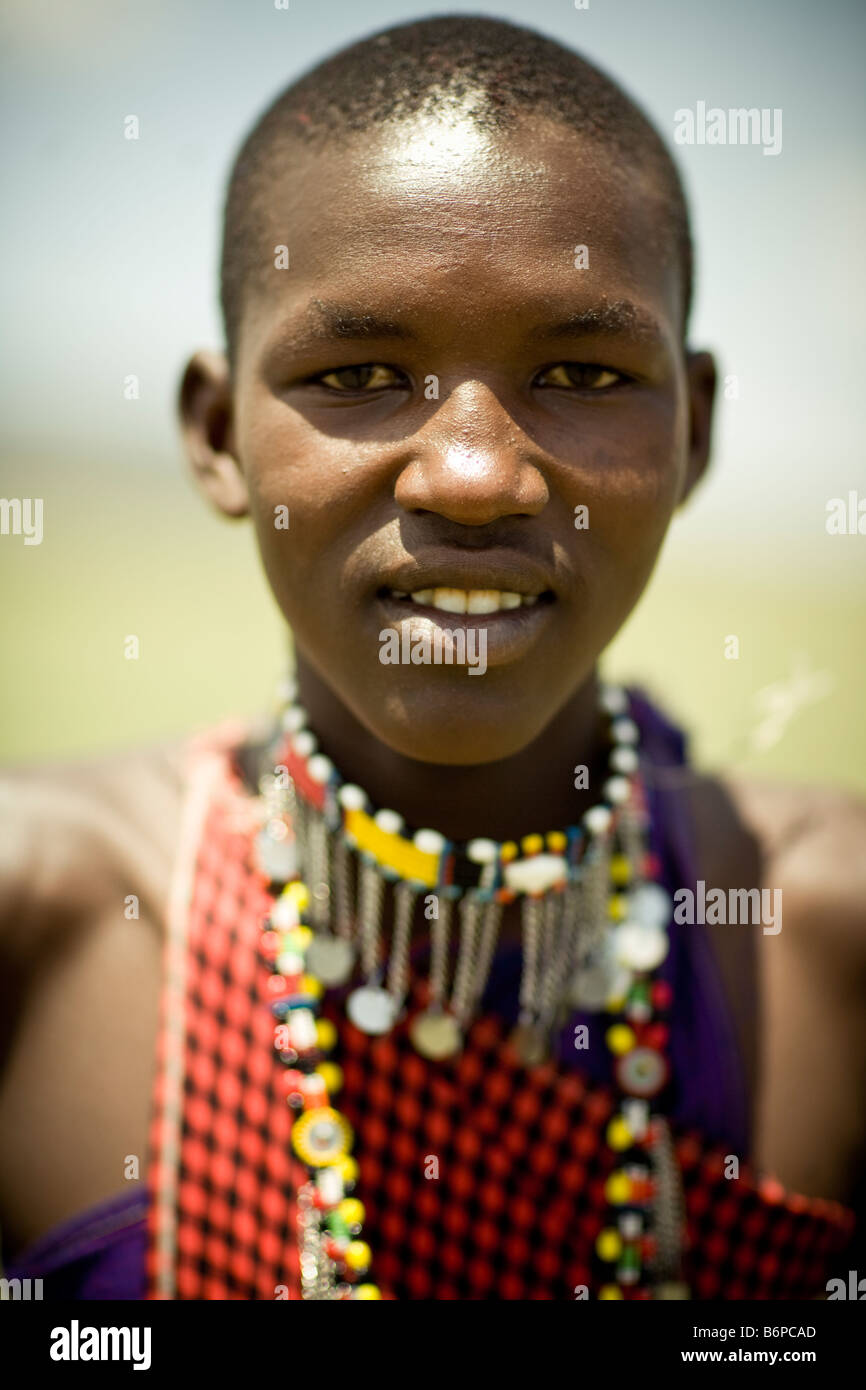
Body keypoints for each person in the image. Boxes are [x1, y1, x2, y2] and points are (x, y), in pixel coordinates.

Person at [1, 14, 864, 1302]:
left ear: (694, 436)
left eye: (581, 369)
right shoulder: (38, 916)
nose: (473, 476)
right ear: (216, 435)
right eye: (358, 372)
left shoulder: (830, 935)